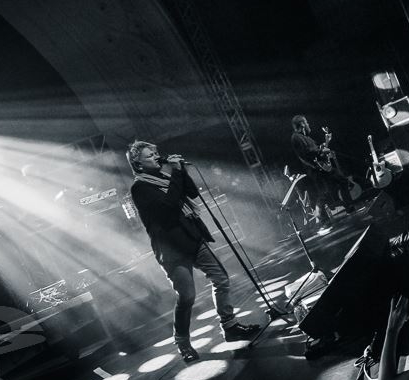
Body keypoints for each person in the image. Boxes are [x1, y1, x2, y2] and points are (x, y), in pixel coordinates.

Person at [126, 141, 260, 363]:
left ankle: (229, 326)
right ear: (138, 164)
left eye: (156, 153)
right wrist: (176, 174)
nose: (156, 157)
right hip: (172, 248)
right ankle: (182, 342)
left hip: (192, 237)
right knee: (187, 296)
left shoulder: (166, 178)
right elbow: (168, 207)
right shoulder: (140, 188)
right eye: (150, 155)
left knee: (221, 278)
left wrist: (181, 171)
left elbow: (192, 193)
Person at [290, 115, 354, 225]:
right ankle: (322, 218)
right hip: (315, 169)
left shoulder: (307, 138)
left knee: (342, 181)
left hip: (323, 167)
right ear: (302, 124)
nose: (308, 124)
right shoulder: (296, 138)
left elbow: (317, 150)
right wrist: (322, 151)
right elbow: (308, 153)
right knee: (324, 193)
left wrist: (326, 142)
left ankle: (349, 207)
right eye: (306, 122)